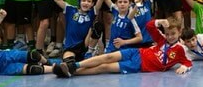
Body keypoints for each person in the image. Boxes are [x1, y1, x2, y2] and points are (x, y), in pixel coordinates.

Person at [52, 18, 192, 77]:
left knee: (105, 67)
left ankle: (72, 73)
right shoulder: (162, 40)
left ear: (179, 32)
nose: (170, 37)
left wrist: (185, 67)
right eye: (168, 34)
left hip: (139, 65)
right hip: (137, 52)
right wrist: (159, 21)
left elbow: (188, 62)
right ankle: (74, 65)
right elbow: (149, 26)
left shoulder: (180, 49)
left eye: (173, 34)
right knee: (108, 56)